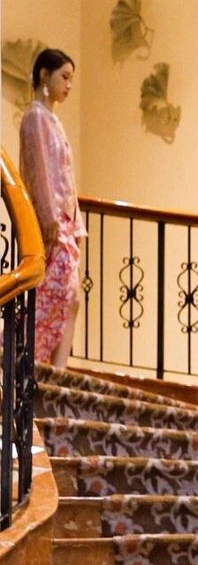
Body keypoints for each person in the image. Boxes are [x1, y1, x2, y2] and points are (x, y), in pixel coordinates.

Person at [19, 49, 84, 368]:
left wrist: (78, 224)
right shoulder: (34, 118)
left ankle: (58, 375)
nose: (68, 85)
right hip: (53, 225)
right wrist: (49, 219)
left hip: (66, 224)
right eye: (64, 77)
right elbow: (40, 172)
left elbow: (67, 177)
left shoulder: (53, 120)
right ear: (45, 75)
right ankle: (34, 368)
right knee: (56, 298)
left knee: (72, 298)